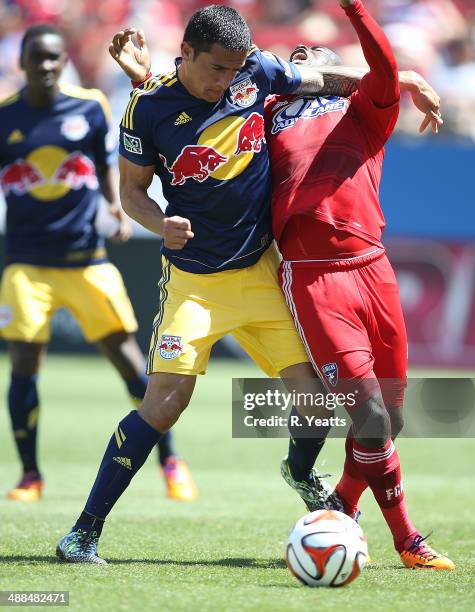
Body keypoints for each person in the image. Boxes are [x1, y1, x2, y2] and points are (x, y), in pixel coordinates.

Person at [55, 4, 379, 564]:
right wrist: (160, 223)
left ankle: (300, 474)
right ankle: (81, 532)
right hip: (195, 284)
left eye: (235, 70)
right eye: (216, 69)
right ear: (185, 54)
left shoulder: (257, 70)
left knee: (317, 403)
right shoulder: (145, 108)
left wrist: (399, 80)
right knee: (166, 403)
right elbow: (131, 191)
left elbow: (326, 78)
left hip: (259, 273)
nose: (228, 81)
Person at [266, 0, 454, 569]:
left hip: (374, 268)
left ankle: (340, 513)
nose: (302, 53)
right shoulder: (268, 111)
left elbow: (379, 63)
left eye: (314, 52)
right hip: (315, 277)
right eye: (296, 52)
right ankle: (407, 540)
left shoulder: (365, 109)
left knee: (388, 420)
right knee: (369, 417)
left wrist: (355, 9)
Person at [0, 24, 197, 505]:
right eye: (37, 58)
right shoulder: (5, 116)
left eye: (53, 58)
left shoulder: (89, 105)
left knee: (130, 362)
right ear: (21, 62)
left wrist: (113, 203)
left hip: (86, 259)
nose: (45, 66)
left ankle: (170, 460)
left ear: (64, 62)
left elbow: (104, 160)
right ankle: (30, 475)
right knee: (24, 365)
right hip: (26, 262)